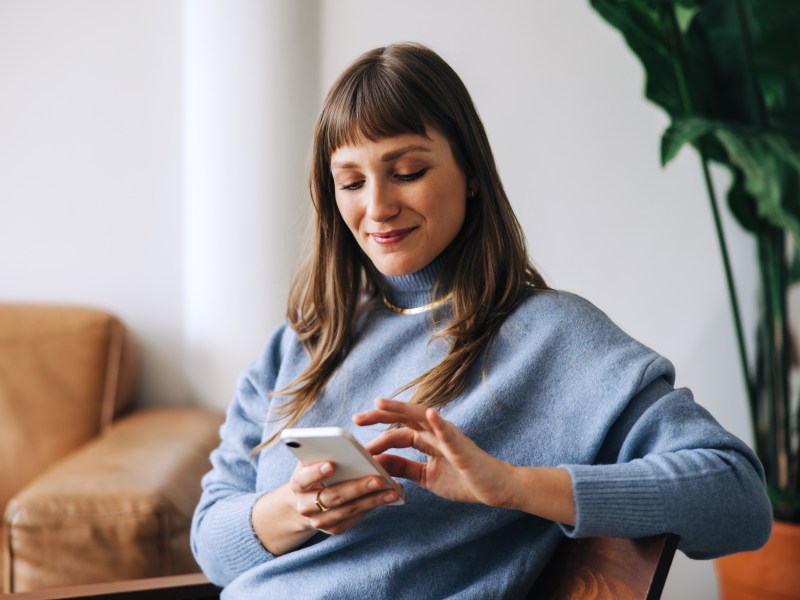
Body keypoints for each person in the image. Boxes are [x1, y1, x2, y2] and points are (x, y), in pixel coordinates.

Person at [190, 42, 772, 599]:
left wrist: (513, 486)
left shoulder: (552, 338)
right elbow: (211, 544)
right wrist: (294, 509)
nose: (378, 206)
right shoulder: (302, 343)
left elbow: (738, 497)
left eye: (409, 171)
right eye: (351, 182)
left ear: (470, 172)